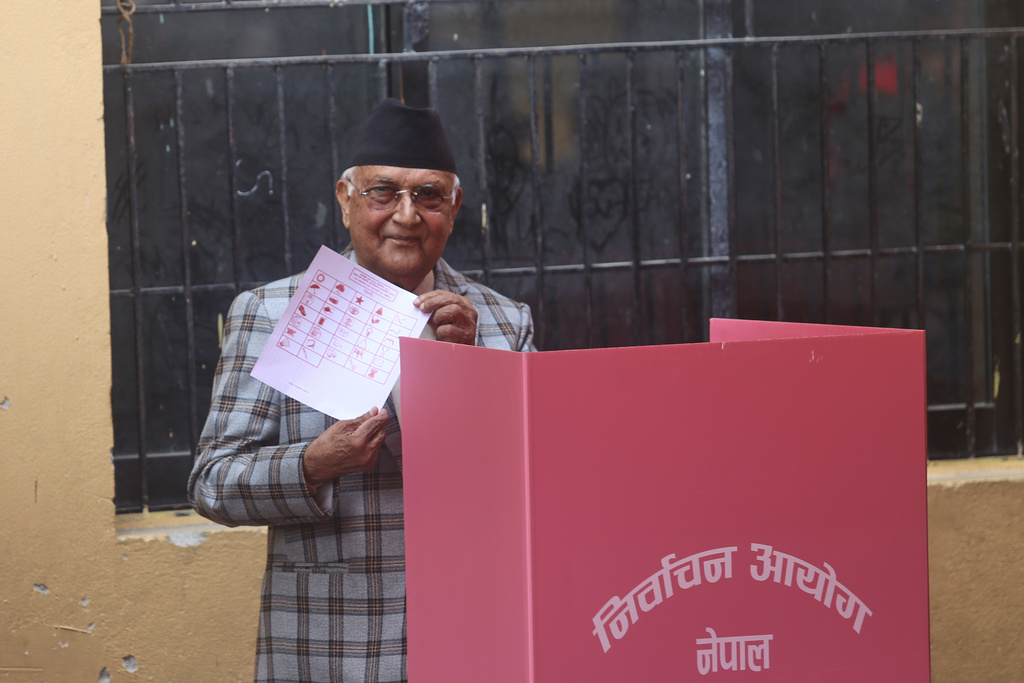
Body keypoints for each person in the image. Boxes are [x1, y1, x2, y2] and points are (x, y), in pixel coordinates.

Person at [188, 98, 535, 682]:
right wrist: (313, 464)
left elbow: (534, 482)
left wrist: (471, 376)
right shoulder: (273, 313)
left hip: (470, 634)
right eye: (383, 192)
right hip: (328, 643)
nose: (407, 215)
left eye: (429, 195)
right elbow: (212, 483)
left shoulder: (502, 322)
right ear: (345, 200)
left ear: (453, 208)